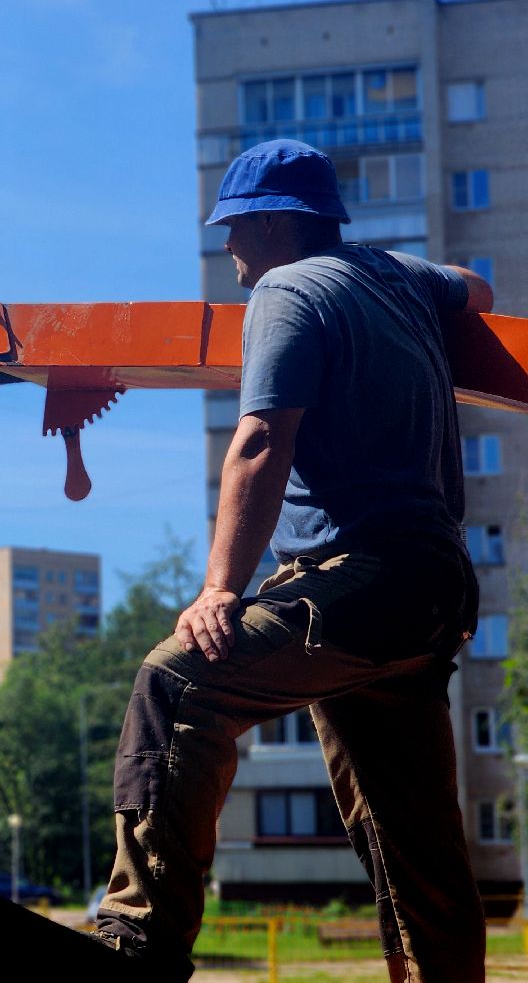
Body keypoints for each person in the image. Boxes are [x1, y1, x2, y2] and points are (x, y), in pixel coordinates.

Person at [92, 138, 494, 983]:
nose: (227, 252)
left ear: (273, 222)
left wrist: (219, 589)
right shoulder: (397, 278)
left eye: (232, 231)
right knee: (407, 831)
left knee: (178, 684)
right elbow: (477, 288)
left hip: (363, 577)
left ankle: (135, 945)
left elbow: (262, 438)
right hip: (433, 589)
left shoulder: (288, 288)